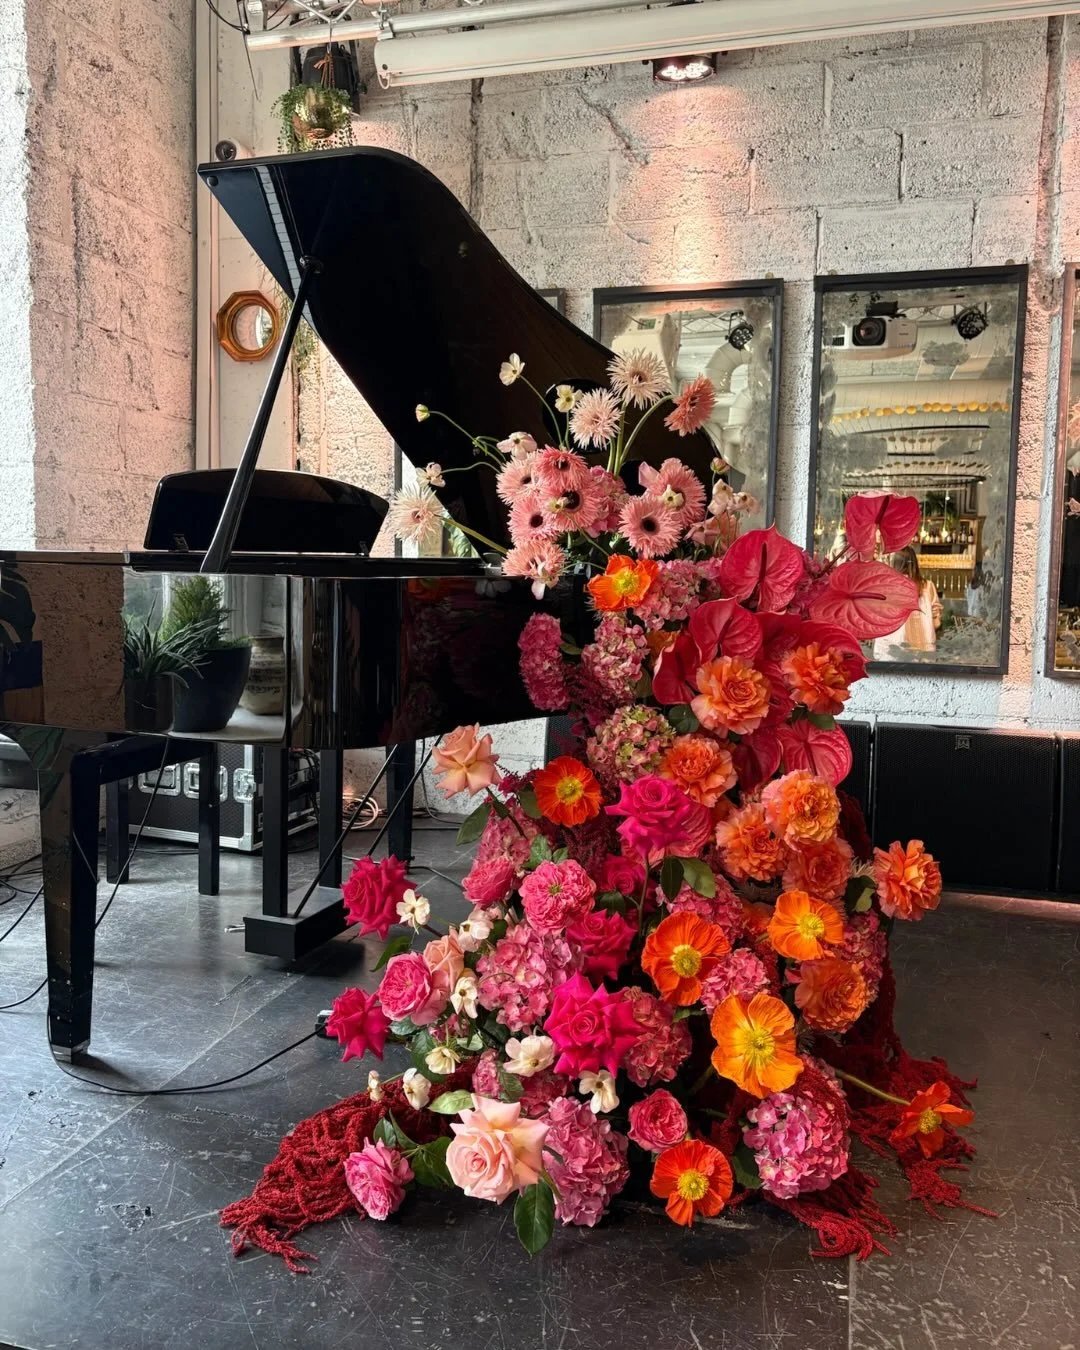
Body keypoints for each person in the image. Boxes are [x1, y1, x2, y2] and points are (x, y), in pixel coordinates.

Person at [873, 547, 942, 658]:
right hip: (923, 648)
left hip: (891, 647)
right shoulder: (927, 586)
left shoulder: (887, 587)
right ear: (914, 563)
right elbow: (936, 618)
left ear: (895, 564)